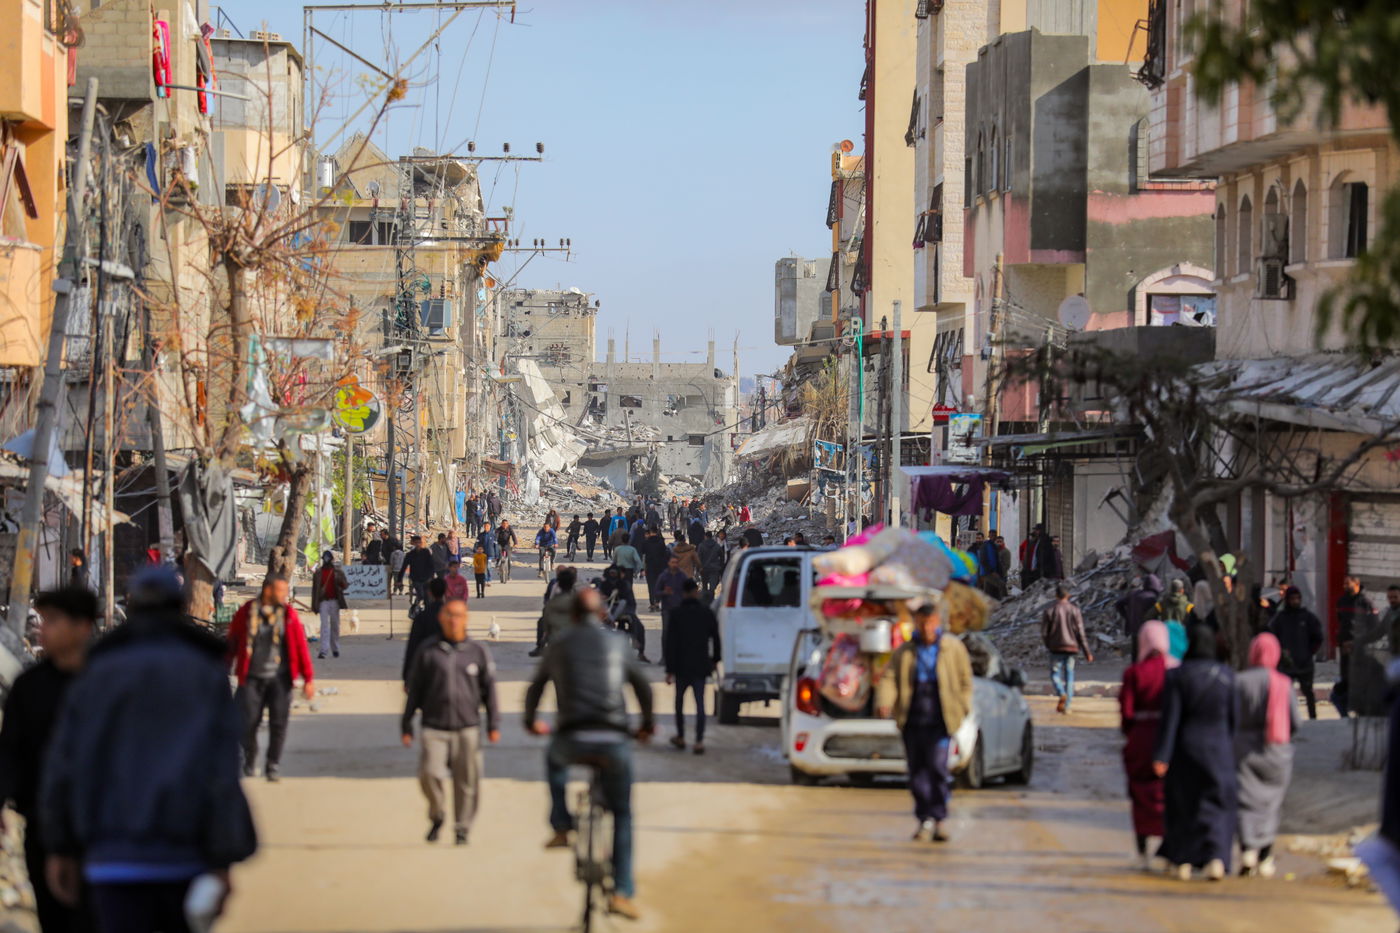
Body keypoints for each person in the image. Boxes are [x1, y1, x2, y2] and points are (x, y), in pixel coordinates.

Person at [42, 568, 257, 930]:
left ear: (134, 608)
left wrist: (59, 846)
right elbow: (221, 768)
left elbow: (66, 763)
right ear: (178, 608)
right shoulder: (205, 672)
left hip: (110, 858)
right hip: (184, 858)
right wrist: (222, 861)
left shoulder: (96, 672)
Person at [525, 588, 654, 921]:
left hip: (572, 736)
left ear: (572, 616)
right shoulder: (619, 644)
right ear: (602, 615)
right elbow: (642, 687)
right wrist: (646, 726)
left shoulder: (560, 644)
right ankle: (623, 892)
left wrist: (531, 721)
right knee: (623, 813)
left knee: (555, 760)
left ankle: (561, 824)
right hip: (613, 737)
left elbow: (536, 687)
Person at [0, 587, 97, 933]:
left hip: (103, 827)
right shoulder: (29, 687)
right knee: (53, 917)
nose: (43, 631)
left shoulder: (108, 684)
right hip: (44, 824)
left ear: (83, 626)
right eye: (43, 621)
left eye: (53, 621)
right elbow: (10, 751)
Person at [402, 598, 499, 846]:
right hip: (433, 726)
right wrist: (406, 723)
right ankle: (438, 813)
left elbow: (489, 689)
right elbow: (415, 691)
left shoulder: (477, 652)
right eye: (449, 615)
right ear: (441, 619)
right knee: (430, 774)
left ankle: (462, 826)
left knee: (467, 781)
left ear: (466, 619)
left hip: (467, 726)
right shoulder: (428, 651)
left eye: (458, 615)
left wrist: (493, 724)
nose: (454, 620)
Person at [876, 598, 974, 843]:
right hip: (913, 718)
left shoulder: (953, 648)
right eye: (922, 624)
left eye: (930, 623)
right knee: (917, 772)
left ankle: (939, 819)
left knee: (938, 769)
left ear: (938, 622)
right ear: (916, 624)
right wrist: (885, 701)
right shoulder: (905, 651)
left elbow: (965, 681)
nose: (927, 629)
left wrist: (962, 708)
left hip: (941, 720)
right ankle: (924, 820)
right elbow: (889, 678)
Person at [1153, 625, 1238, 881]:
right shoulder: (1228, 677)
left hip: (1185, 749)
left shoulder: (1177, 676)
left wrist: (1162, 755)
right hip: (1219, 749)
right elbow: (1235, 720)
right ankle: (1216, 858)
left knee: (1184, 804)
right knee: (1218, 805)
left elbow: (1170, 719)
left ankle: (1183, 861)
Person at [228, 576, 315, 781]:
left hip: (280, 679)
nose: (284, 596)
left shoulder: (288, 614)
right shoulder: (247, 612)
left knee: (279, 723)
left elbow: (300, 647)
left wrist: (308, 678)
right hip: (251, 678)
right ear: (268, 591)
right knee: (247, 722)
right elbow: (233, 641)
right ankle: (251, 756)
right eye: (281, 591)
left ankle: (272, 764)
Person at [1234, 632, 1299, 878]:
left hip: (1243, 752)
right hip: (1276, 751)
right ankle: (1265, 857)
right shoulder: (1283, 683)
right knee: (1271, 805)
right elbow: (1296, 722)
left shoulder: (1240, 682)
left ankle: (1247, 850)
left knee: (1245, 802)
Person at [1120, 620, 1175, 871]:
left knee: (1140, 795)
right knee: (1170, 795)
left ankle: (1143, 852)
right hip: (1170, 741)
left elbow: (1127, 713)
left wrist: (1132, 734)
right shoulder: (1175, 670)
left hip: (1140, 741)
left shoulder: (1134, 673)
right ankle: (1168, 849)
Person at [664, 580, 721, 754]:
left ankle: (681, 736)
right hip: (700, 664)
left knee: (679, 703)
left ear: (683, 593)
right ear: (696, 592)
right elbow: (717, 639)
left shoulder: (676, 614)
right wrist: (715, 661)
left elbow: (670, 643)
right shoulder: (706, 613)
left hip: (681, 666)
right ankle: (699, 741)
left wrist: (669, 669)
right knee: (700, 704)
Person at [1267, 586, 1323, 719]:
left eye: (1298, 598)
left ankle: (1313, 718)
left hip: (1305, 663)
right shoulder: (1280, 618)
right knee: (1285, 693)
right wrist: (1279, 654)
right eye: (1292, 599)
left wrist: (1310, 652)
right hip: (1287, 664)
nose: (1295, 601)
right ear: (1287, 600)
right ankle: (1285, 719)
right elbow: (1271, 636)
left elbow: (1318, 637)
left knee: (1308, 692)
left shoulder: (1307, 617)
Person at [1041, 584, 1094, 714]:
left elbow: (1044, 633)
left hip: (1055, 649)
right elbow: (1081, 632)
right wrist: (1087, 651)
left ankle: (1061, 692)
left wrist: (1050, 645)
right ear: (1068, 596)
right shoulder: (1075, 610)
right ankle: (1067, 705)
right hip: (1072, 648)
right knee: (1069, 674)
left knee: (1054, 674)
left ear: (1056, 596)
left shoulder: (1049, 611)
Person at [1335, 575, 1376, 717]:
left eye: (1348, 583)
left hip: (1360, 648)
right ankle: (1345, 711)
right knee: (1345, 677)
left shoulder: (1365, 602)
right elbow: (1341, 621)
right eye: (1344, 583)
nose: (1344, 586)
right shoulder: (1342, 601)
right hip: (1345, 647)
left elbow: (1373, 626)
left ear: (1356, 584)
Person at [404, 578, 449, 683]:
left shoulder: (422, 617)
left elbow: (412, 645)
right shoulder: (452, 616)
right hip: (447, 667)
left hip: (427, 665)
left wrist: (407, 676)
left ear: (429, 592)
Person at [530, 567, 579, 658]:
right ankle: (540, 646)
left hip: (573, 622)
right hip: (558, 619)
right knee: (541, 622)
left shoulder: (579, 588)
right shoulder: (554, 584)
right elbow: (548, 598)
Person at [310, 551, 349, 661]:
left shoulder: (337, 572)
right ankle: (323, 650)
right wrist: (314, 605)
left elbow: (344, 585)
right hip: (323, 602)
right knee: (324, 626)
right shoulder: (318, 573)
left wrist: (341, 583)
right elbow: (315, 591)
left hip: (335, 601)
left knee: (335, 625)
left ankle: (335, 648)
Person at [655, 556, 690, 667]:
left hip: (680, 609)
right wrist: (664, 592)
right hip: (667, 609)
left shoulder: (682, 576)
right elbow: (656, 591)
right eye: (672, 562)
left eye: (676, 562)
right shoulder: (663, 576)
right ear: (669, 563)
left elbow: (688, 591)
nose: (674, 564)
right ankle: (664, 657)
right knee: (666, 633)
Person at [1116, 574, 1163, 655]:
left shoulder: (1134, 594)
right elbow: (1154, 616)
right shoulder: (1152, 598)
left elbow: (1118, 604)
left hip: (1134, 629)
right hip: (1147, 631)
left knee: (1135, 654)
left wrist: (1127, 616)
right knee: (1146, 654)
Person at [642, 527, 671, 612]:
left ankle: (652, 603)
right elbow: (664, 555)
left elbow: (643, 553)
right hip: (660, 567)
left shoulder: (646, 542)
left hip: (650, 567)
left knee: (651, 586)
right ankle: (657, 603)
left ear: (650, 532)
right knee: (659, 585)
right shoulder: (661, 542)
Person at [404, 536, 436, 612]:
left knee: (425, 594)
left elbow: (431, 564)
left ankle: (424, 608)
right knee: (417, 592)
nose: (418, 544)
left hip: (426, 576)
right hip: (415, 576)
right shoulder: (412, 551)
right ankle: (415, 605)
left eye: (420, 542)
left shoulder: (428, 551)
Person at [697, 531, 726, 602]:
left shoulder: (701, 545)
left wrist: (699, 568)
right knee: (712, 587)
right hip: (714, 568)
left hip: (704, 569)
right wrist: (721, 565)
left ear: (705, 536)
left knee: (704, 586)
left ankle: (704, 601)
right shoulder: (716, 545)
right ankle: (711, 600)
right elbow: (722, 556)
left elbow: (698, 558)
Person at [1383, 584, 1400, 656]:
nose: (1392, 600)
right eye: (1390, 597)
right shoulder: (1389, 613)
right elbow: (1378, 631)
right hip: (1394, 654)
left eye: (1395, 597)